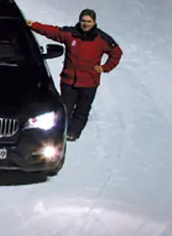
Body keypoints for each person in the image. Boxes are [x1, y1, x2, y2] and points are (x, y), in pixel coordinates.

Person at [27, 9, 121, 141]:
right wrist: (33, 25)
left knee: (82, 110)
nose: (85, 24)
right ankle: (59, 133)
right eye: (83, 21)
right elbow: (53, 32)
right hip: (69, 81)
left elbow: (116, 53)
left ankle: (72, 133)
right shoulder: (71, 34)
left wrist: (105, 67)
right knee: (65, 109)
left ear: (94, 22)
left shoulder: (102, 39)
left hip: (89, 82)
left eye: (89, 21)